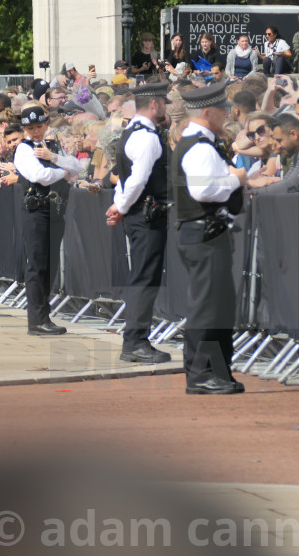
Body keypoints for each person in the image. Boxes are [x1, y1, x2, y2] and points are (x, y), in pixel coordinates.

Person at [173, 83, 247, 394]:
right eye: (222, 109)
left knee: (217, 305)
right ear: (207, 112)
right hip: (204, 232)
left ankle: (214, 370)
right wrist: (235, 179)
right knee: (208, 306)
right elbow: (202, 190)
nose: (227, 113)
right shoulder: (200, 147)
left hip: (204, 232)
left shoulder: (200, 144)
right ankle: (202, 373)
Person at [105, 81, 173, 364]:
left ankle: (136, 339)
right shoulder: (147, 136)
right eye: (164, 103)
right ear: (155, 104)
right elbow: (137, 178)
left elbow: (126, 176)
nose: (166, 108)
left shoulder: (132, 131)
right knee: (145, 279)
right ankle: (135, 341)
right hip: (147, 215)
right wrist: (121, 206)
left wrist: (120, 205)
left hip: (139, 214)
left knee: (142, 277)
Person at [14, 104, 84, 335]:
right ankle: (36, 319)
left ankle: (45, 315)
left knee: (51, 265)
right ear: (25, 128)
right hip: (36, 210)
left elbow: (77, 166)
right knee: (37, 265)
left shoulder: (52, 146)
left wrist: (54, 157)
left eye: (39, 126)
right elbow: (39, 176)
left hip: (55, 209)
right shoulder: (23, 150)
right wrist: (62, 173)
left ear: (46, 125)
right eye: (31, 127)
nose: (36, 131)